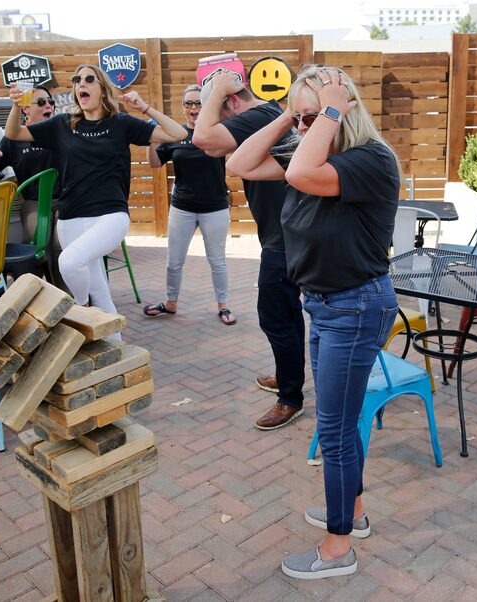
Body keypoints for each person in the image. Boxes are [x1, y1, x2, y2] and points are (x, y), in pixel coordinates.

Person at [227, 65, 401, 579]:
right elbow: (239, 161)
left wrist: (327, 108)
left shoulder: (370, 159)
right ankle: (355, 512)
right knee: (339, 424)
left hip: (355, 305)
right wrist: (288, 116)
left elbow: (302, 174)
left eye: (313, 116)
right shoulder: (309, 150)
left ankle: (337, 548)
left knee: (335, 430)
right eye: (300, 117)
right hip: (325, 306)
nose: (305, 127)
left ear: (343, 109)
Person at [3, 64, 187, 328]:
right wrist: (15, 106)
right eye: (77, 79)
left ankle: (79, 308)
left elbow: (178, 133)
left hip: (110, 216)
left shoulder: (121, 123)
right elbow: (14, 134)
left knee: (69, 261)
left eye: (89, 79)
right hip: (70, 219)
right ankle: (115, 350)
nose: (81, 84)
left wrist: (145, 108)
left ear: (102, 89)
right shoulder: (62, 124)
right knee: (101, 293)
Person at [193, 69, 306, 430]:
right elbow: (213, 144)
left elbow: (202, 138)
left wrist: (218, 91)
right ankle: (290, 376)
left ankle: (291, 398)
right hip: (284, 233)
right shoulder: (267, 115)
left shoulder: (254, 116)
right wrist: (218, 96)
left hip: (286, 238)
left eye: (218, 107)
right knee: (286, 312)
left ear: (233, 102)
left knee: (274, 314)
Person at [143, 84, 235, 326]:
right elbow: (154, 164)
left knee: (217, 260)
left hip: (215, 207)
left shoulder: (217, 132)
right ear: (183, 108)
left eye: (198, 103)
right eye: (188, 104)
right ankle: (171, 302)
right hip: (182, 208)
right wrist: (151, 140)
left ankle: (223, 306)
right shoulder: (176, 136)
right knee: (174, 261)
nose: (194, 108)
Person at [0, 84, 64, 288]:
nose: (49, 106)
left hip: (65, 199)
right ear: (26, 109)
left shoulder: (60, 131)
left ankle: (67, 297)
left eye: (51, 102)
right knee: (38, 246)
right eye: (42, 102)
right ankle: (33, 294)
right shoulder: (15, 139)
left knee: (60, 245)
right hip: (34, 202)